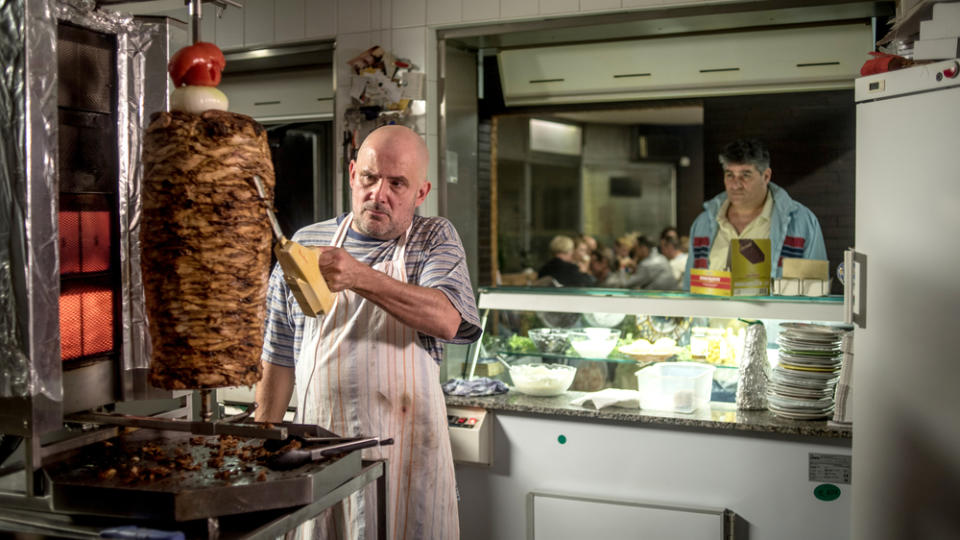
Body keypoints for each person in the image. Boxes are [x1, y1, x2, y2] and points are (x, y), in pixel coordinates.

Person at [255, 125, 482, 540]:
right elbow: (279, 354)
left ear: (421, 192)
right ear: (352, 172)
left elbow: (448, 319)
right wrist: (260, 443)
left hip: (409, 454)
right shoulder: (308, 243)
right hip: (319, 452)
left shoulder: (433, 239)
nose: (380, 194)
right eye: (370, 178)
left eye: (397, 183)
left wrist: (359, 276)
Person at [684, 138, 826, 288]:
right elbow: (689, 288)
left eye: (745, 175)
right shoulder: (703, 223)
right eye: (729, 174)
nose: (736, 184)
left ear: (766, 176)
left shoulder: (801, 222)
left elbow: (815, 289)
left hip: (774, 312)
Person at [603, 235, 679, 290]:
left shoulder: (648, 265)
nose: (635, 252)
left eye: (636, 248)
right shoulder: (660, 258)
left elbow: (625, 283)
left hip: (661, 301)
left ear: (643, 248)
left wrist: (623, 267)